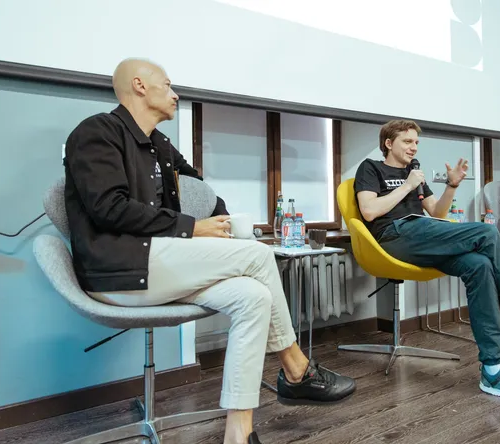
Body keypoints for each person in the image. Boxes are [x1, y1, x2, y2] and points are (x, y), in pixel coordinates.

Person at [64, 58, 355, 444]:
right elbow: (108, 208)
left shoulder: (160, 145)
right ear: (139, 85)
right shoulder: (95, 133)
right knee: (258, 255)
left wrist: (223, 221)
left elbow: (201, 190)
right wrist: (192, 228)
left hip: (160, 264)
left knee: (254, 297)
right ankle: (296, 369)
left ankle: (238, 433)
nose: (175, 94)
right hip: (117, 269)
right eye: (167, 85)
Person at [354, 119, 500, 409]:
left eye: (416, 142)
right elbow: (369, 211)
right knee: (486, 232)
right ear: (388, 143)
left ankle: (493, 369)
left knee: (479, 265)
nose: (413, 147)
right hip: (393, 236)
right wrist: (407, 186)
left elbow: (437, 213)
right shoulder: (371, 168)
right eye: (407, 141)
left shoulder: (414, 174)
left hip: (422, 233)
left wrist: (451, 186)